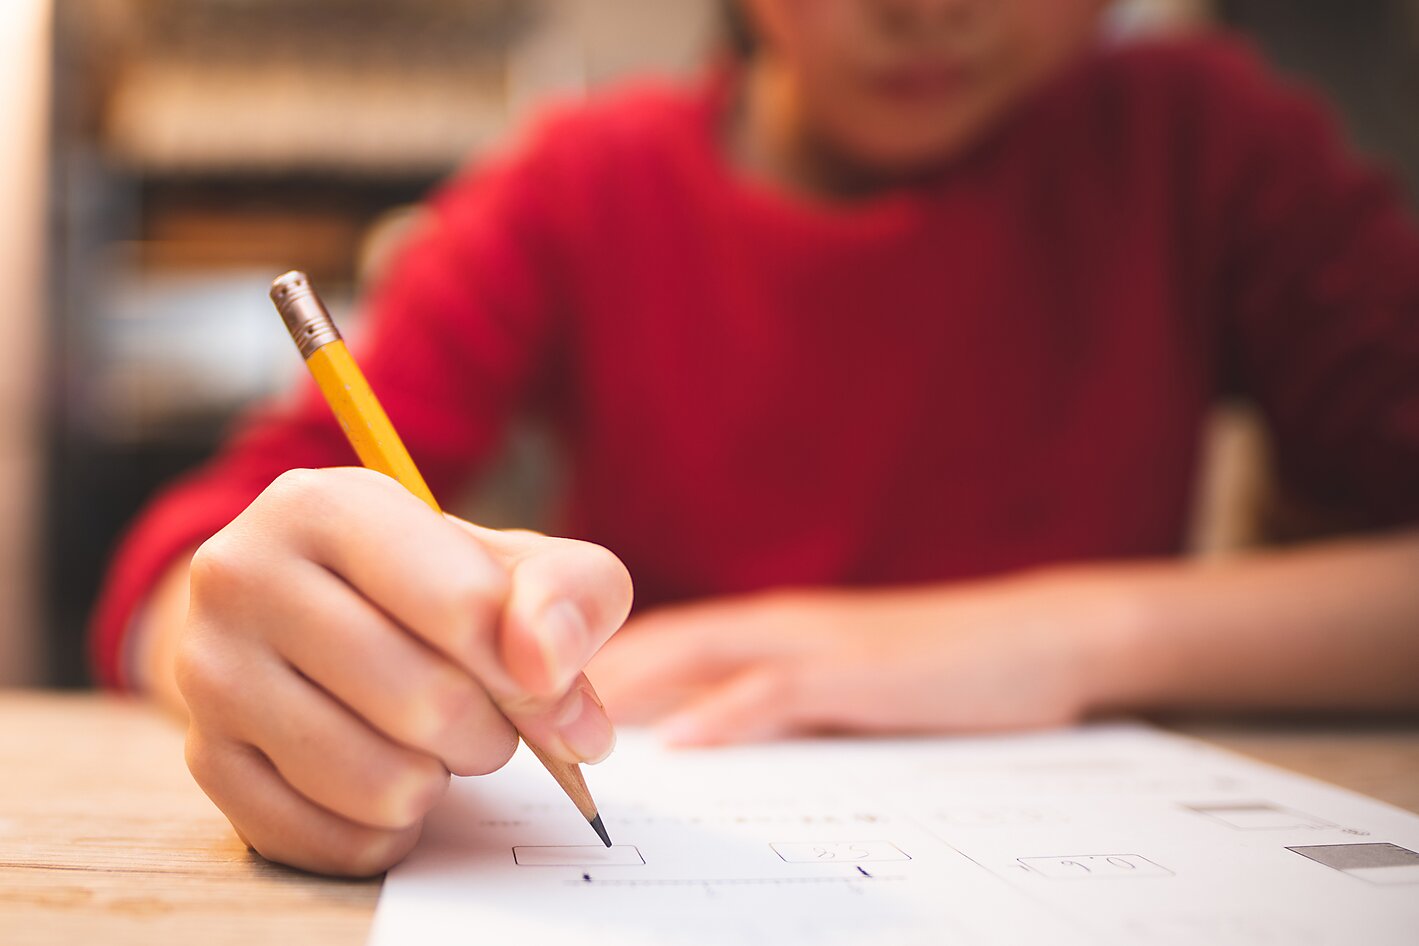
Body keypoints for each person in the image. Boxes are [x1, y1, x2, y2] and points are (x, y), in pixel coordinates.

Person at [92, 0, 1419, 877]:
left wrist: (1062, 640)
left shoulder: (1206, 149)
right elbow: (192, 563)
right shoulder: (586, 185)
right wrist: (248, 641)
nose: (924, 8)